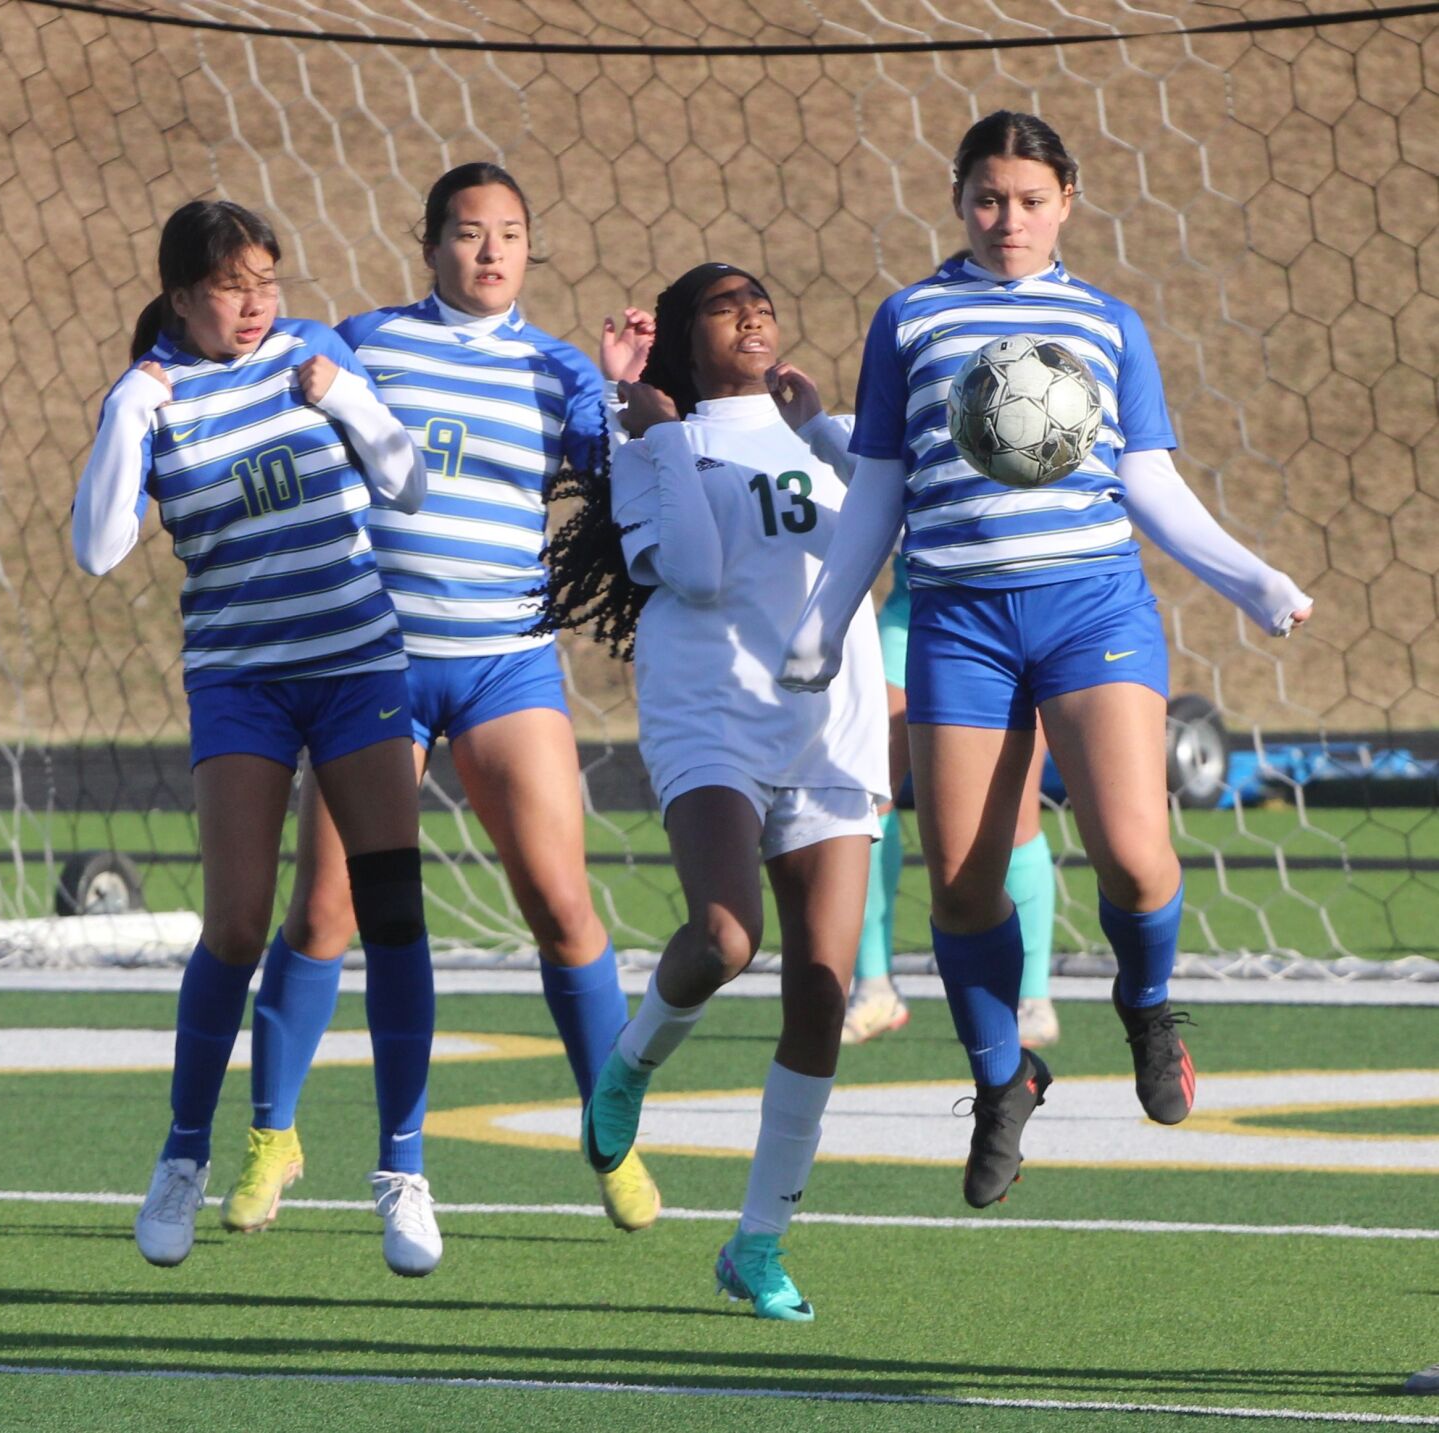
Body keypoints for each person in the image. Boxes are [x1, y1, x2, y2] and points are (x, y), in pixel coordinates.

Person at [779, 110, 1314, 1209]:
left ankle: (1148, 1008)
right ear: (958, 198)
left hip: (1091, 612)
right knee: (965, 882)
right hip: (959, 622)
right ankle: (1002, 1079)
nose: (1007, 219)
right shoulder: (911, 321)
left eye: (1028, 199)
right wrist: (827, 618)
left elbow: (1150, 480)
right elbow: (879, 485)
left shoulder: (1108, 323)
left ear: (1066, 198)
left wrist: (1250, 577)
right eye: (986, 197)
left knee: (1132, 854)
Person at [220, 162, 662, 1239]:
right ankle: (274, 1135)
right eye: (468, 232)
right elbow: (252, 363)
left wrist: (615, 393)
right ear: (429, 245)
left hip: (506, 664)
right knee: (326, 909)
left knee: (561, 902)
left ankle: (611, 1130)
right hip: (371, 666)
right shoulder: (361, 340)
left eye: (510, 232)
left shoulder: (558, 368)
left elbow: (626, 477)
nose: (491, 250)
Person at [72, 199, 441, 1274]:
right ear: (182, 294)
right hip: (239, 679)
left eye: (267, 280)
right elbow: (99, 549)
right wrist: (132, 413)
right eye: (232, 284)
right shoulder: (151, 392)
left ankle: (404, 1170)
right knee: (235, 923)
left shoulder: (312, 354)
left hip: (356, 665)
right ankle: (183, 1154)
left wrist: (350, 405)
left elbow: (405, 481)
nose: (255, 303)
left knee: (392, 912)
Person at [540, 263, 888, 1319]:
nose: (752, 312)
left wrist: (824, 429)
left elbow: (892, 535)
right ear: (687, 342)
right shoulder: (657, 444)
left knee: (823, 992)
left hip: (830, 719)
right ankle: (629, 1063)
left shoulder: (828, 433)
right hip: (712, 712)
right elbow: (689, 569)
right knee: (725, 937)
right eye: (724, 304)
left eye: (761, 299)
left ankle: (758, 1242)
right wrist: (649, 431)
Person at [844, 555, 1060, 1050]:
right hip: (917, 608)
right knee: (865, 792)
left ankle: (1030, 998)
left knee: (1014, 811)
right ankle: (874, 985)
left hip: (1022, 616)